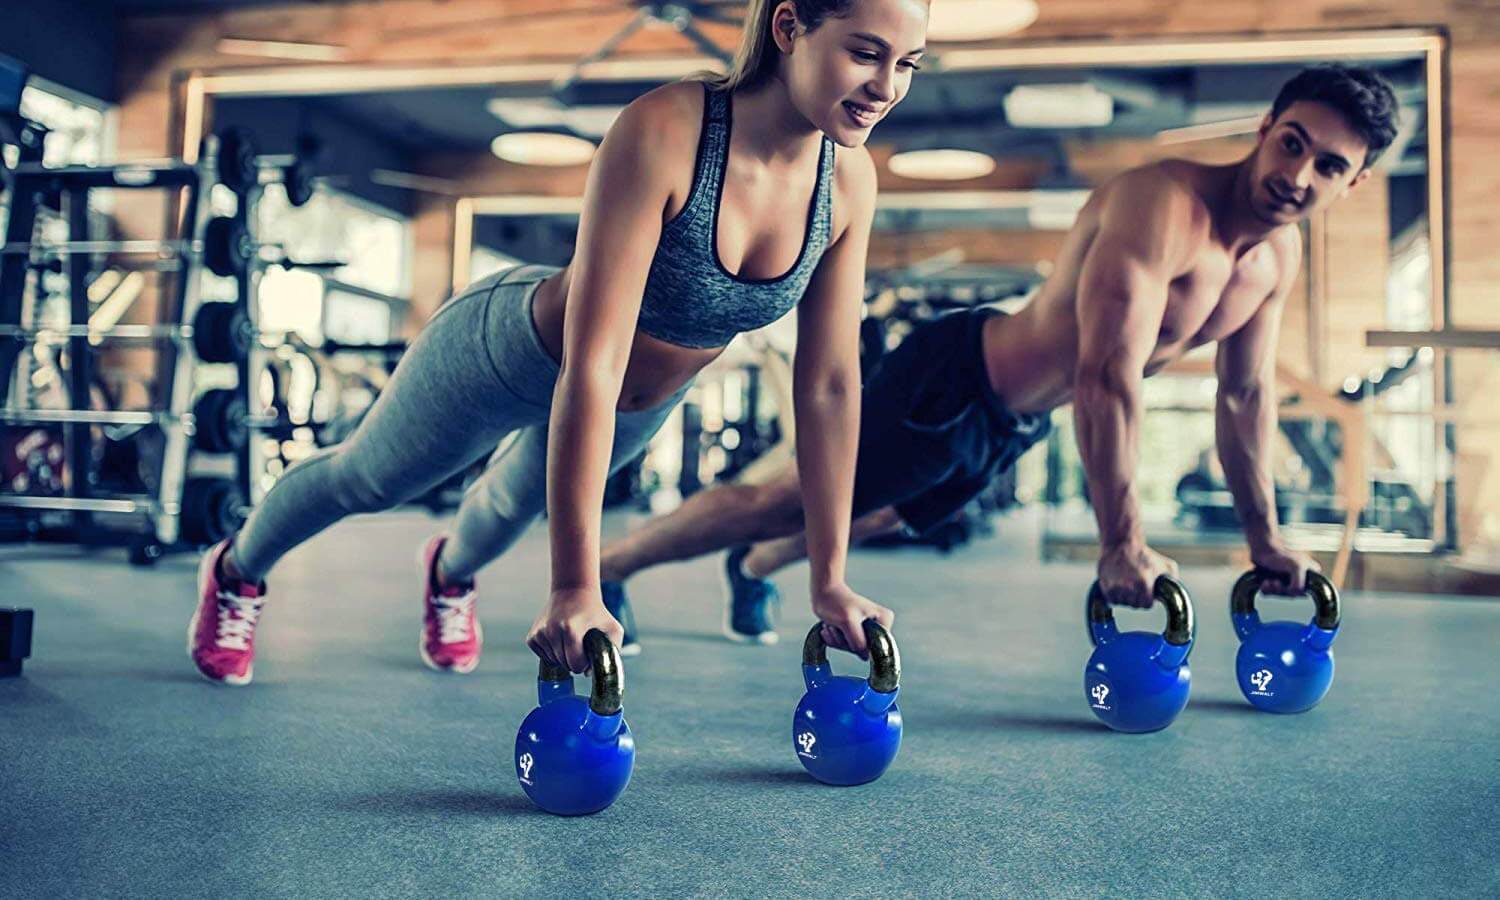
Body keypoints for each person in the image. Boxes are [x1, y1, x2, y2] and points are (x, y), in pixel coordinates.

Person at [187, 0, 932, 685]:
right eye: (866, 53)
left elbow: (830, 383)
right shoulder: (669, 130)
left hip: (639, 403)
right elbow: (594, 361)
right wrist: (575, 586)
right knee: (371, 480)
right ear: (789, 27)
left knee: (510, 509)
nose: (887, 87)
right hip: (510, 353)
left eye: (908, 65)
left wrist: (829, 577)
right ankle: (237, 570)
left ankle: (448, 574)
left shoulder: (848, 183)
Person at [596, 64, 1400, 649]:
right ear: (1264, 129)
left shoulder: (1276, 259)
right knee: (798, 503)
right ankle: (613, 566)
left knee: (879, 515)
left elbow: (1244, 397)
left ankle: (751, 568)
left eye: (1329, 166)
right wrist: (1121, 541)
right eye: (1291, 144)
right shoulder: (1162, 205)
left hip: (1014, 421)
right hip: (958, 380)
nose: (1297, 175)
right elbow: (1106, 375)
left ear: (1354, 183)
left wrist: (1265, 540)